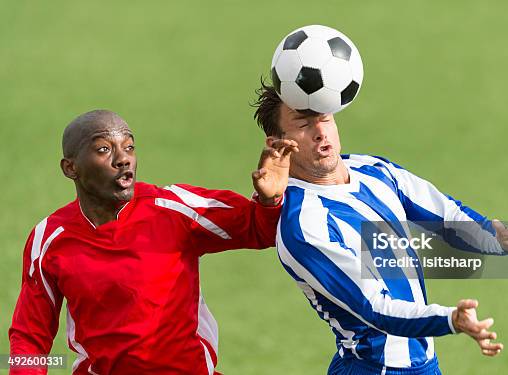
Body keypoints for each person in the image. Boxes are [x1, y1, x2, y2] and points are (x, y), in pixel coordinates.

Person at [252, 83, 508, 375]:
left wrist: (501, 239)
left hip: (422, 365)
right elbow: (374, 307)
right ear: (278, 145)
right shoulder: (303, 227)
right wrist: (449, 319)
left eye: (325, 118)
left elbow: (444, 216)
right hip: (375, 369)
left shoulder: (373, 170)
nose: (321, 132)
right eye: (305, 124)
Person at [9, 109, 298, 374]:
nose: (123, 158)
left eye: (129, 147)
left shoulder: (173, 209)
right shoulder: (50, 238)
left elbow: (258, 229)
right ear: (70, 168)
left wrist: (270, 201)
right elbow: (29, 336)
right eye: (104, 149)